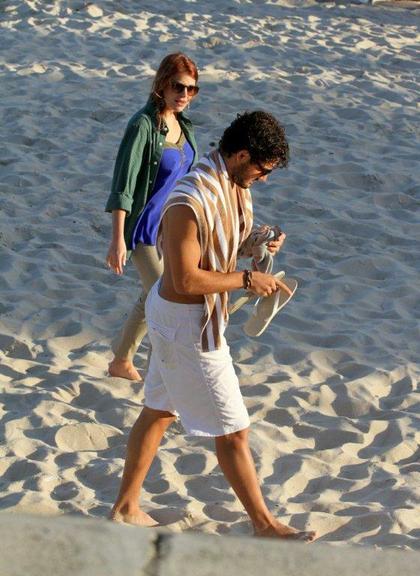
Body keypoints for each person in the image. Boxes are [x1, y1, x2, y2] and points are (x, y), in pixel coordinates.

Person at [110, 111, 316, 541]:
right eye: (261, 169)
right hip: (188, 324)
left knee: (159, 412)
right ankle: (264, 525)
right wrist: (246, 279)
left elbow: (216, 248)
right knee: (235, 430)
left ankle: (126, 507)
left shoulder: (231, 184)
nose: (263, 179)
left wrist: (254, 245)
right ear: (241, 155)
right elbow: (184, 277)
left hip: (180, 318)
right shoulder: (189, 198)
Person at [105, 53, 199, 381]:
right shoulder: (142, 126)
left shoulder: (183, 125)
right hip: (144, 230)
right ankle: (166, 372)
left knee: (154, 294)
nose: (184, 95)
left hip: (170, 230)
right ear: (161, 84)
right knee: (168, 295)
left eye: (192, 90)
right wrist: (118, 239)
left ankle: (121, 360)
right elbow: (123, 185)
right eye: (178, 87)